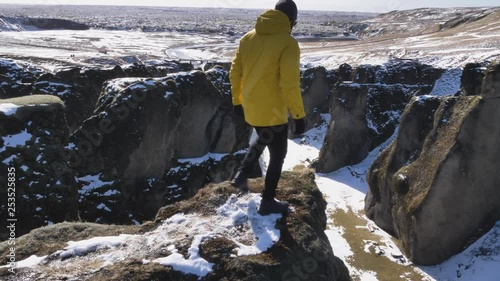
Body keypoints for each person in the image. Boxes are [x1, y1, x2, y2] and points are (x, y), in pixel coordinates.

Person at [229, 0, 306, 215]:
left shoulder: (248, 38)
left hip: (251, 107)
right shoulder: (288, 43)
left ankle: (241, 174)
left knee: (263, 137)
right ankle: (268, 201)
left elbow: (235, 73)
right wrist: (299, 116)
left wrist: (237, 101)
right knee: (278, 155)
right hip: (273, 112)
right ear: (291, 20)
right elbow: (289, 84)